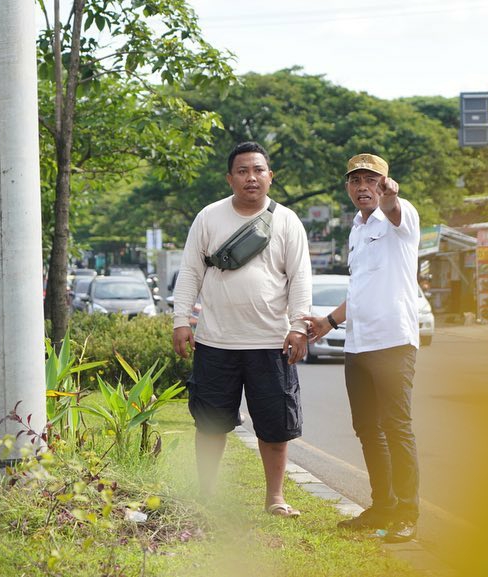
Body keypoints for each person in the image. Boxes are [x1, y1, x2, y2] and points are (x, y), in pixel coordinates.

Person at [171, 141, 312, 517]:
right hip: (216, 341)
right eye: (243, 171)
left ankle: (276, 498)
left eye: (258, 170)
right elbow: (190, 271)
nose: (251, 178)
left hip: (271, 341)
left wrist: (299, 327)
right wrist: (180, 320)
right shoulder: (208, 217)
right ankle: (206, 493)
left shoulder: (287, 221)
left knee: (275, 425)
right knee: (211, 423)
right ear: (230, 177)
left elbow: (300, 278)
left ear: (270, 176)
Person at [304, 153, 421, 543]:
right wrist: (330, 322)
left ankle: (406, 512)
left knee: (397, 427)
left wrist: (391, 196)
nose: (363, 187)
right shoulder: (356, 229)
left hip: (393, 342)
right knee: (368, 429)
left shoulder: (401, 219)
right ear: (348, 188)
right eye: (355, 180)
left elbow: (393, 206)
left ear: (385, 183)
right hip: (357, 344)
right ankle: (382, 506)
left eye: (371, 180)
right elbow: (360, 291)